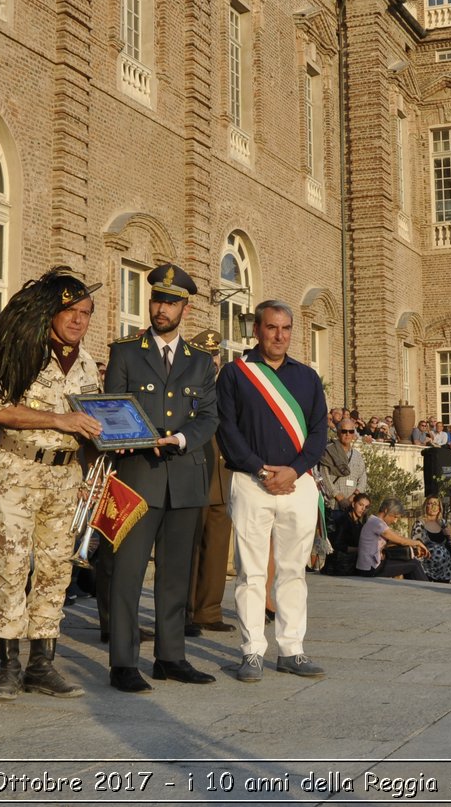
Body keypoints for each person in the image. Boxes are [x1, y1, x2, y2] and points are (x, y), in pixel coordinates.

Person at [0, 267, 103, 700]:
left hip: (66, 477)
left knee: (55, 571)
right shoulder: (20, 351)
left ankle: (41, 664)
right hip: (16, 472)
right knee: (11, 568)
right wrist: (58, 419)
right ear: (50, 312)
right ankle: (9, 665)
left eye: (86, 312)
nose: (77, 320)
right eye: (69, 310)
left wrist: (102, 455)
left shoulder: (87, 362)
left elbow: (93, 422)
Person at [101, 264, 219, 693]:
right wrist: (133, 438)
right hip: (137, 476)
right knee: (128, 573)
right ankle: (123, 663)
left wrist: (183, 439)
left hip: (185, 477)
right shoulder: (126, 352)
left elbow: (209, 417)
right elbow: (112, 407)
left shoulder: (200, 362)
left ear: (184, 308)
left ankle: (170, 656)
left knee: (174, 575)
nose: (161, 308)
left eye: (170, 302)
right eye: (156, 300)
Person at [216, 300, 329, 682]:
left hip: (297, 484)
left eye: (285, 329)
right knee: (250, 572)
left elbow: (318, 435)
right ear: (257, 330)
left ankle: (292, 650)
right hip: (252, 483)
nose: (279, 336)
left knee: (293, 570)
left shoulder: (308, 378)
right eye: (271, 328)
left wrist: (293, 471)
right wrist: (260, 469)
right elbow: (226, 430)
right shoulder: (235, 374)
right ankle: (251, 651)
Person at [185, 330, 234, 637]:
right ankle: (185, 611)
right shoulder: (187, 387)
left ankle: (209, 610)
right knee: (189, 549)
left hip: (223, 475)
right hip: (194, 474)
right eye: (207, 356)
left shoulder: (227, 391)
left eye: (215, 356)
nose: (213, 362)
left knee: (216, 548)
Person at [356, 498, 428, 580]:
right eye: (395, 517)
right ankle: (427, 590)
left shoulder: (375, 522)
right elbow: (401, 541)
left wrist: (415, 550)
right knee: (414, 564)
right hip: (370, 569)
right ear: (386, 511)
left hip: (369, 567)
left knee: (409, 563)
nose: (395, 521)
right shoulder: (377, 523)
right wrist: (418, 543)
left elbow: (395, 541)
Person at [413, 495, 451, 583]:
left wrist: (450, 535)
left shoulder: (443, 523)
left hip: (444, 568)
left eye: (435, 504)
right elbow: (416, 543)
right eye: (430, 503)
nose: (433, 506)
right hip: (427, 568)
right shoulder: (420, 523)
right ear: (426, 507)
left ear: (440, 508)